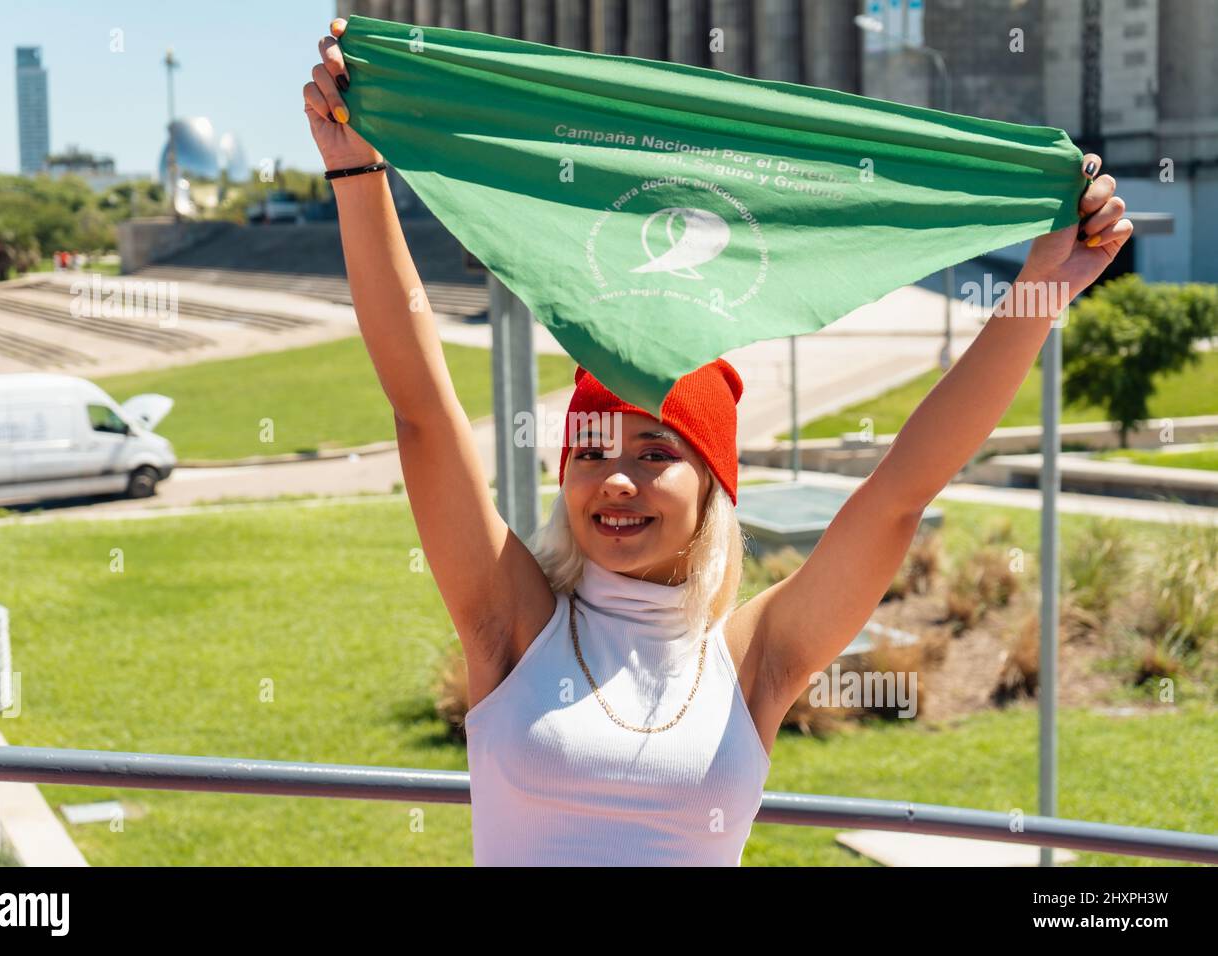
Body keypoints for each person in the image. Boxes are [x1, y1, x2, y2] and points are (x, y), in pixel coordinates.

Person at [305, 17, 1132, 866]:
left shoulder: (754, 659)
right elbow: (423, 414)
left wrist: (1042, 289)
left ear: (713, 486)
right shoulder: (513, 624)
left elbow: (899, 496)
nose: (615, 480)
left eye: (656, 454)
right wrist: (357, 170)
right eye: (589, 450)